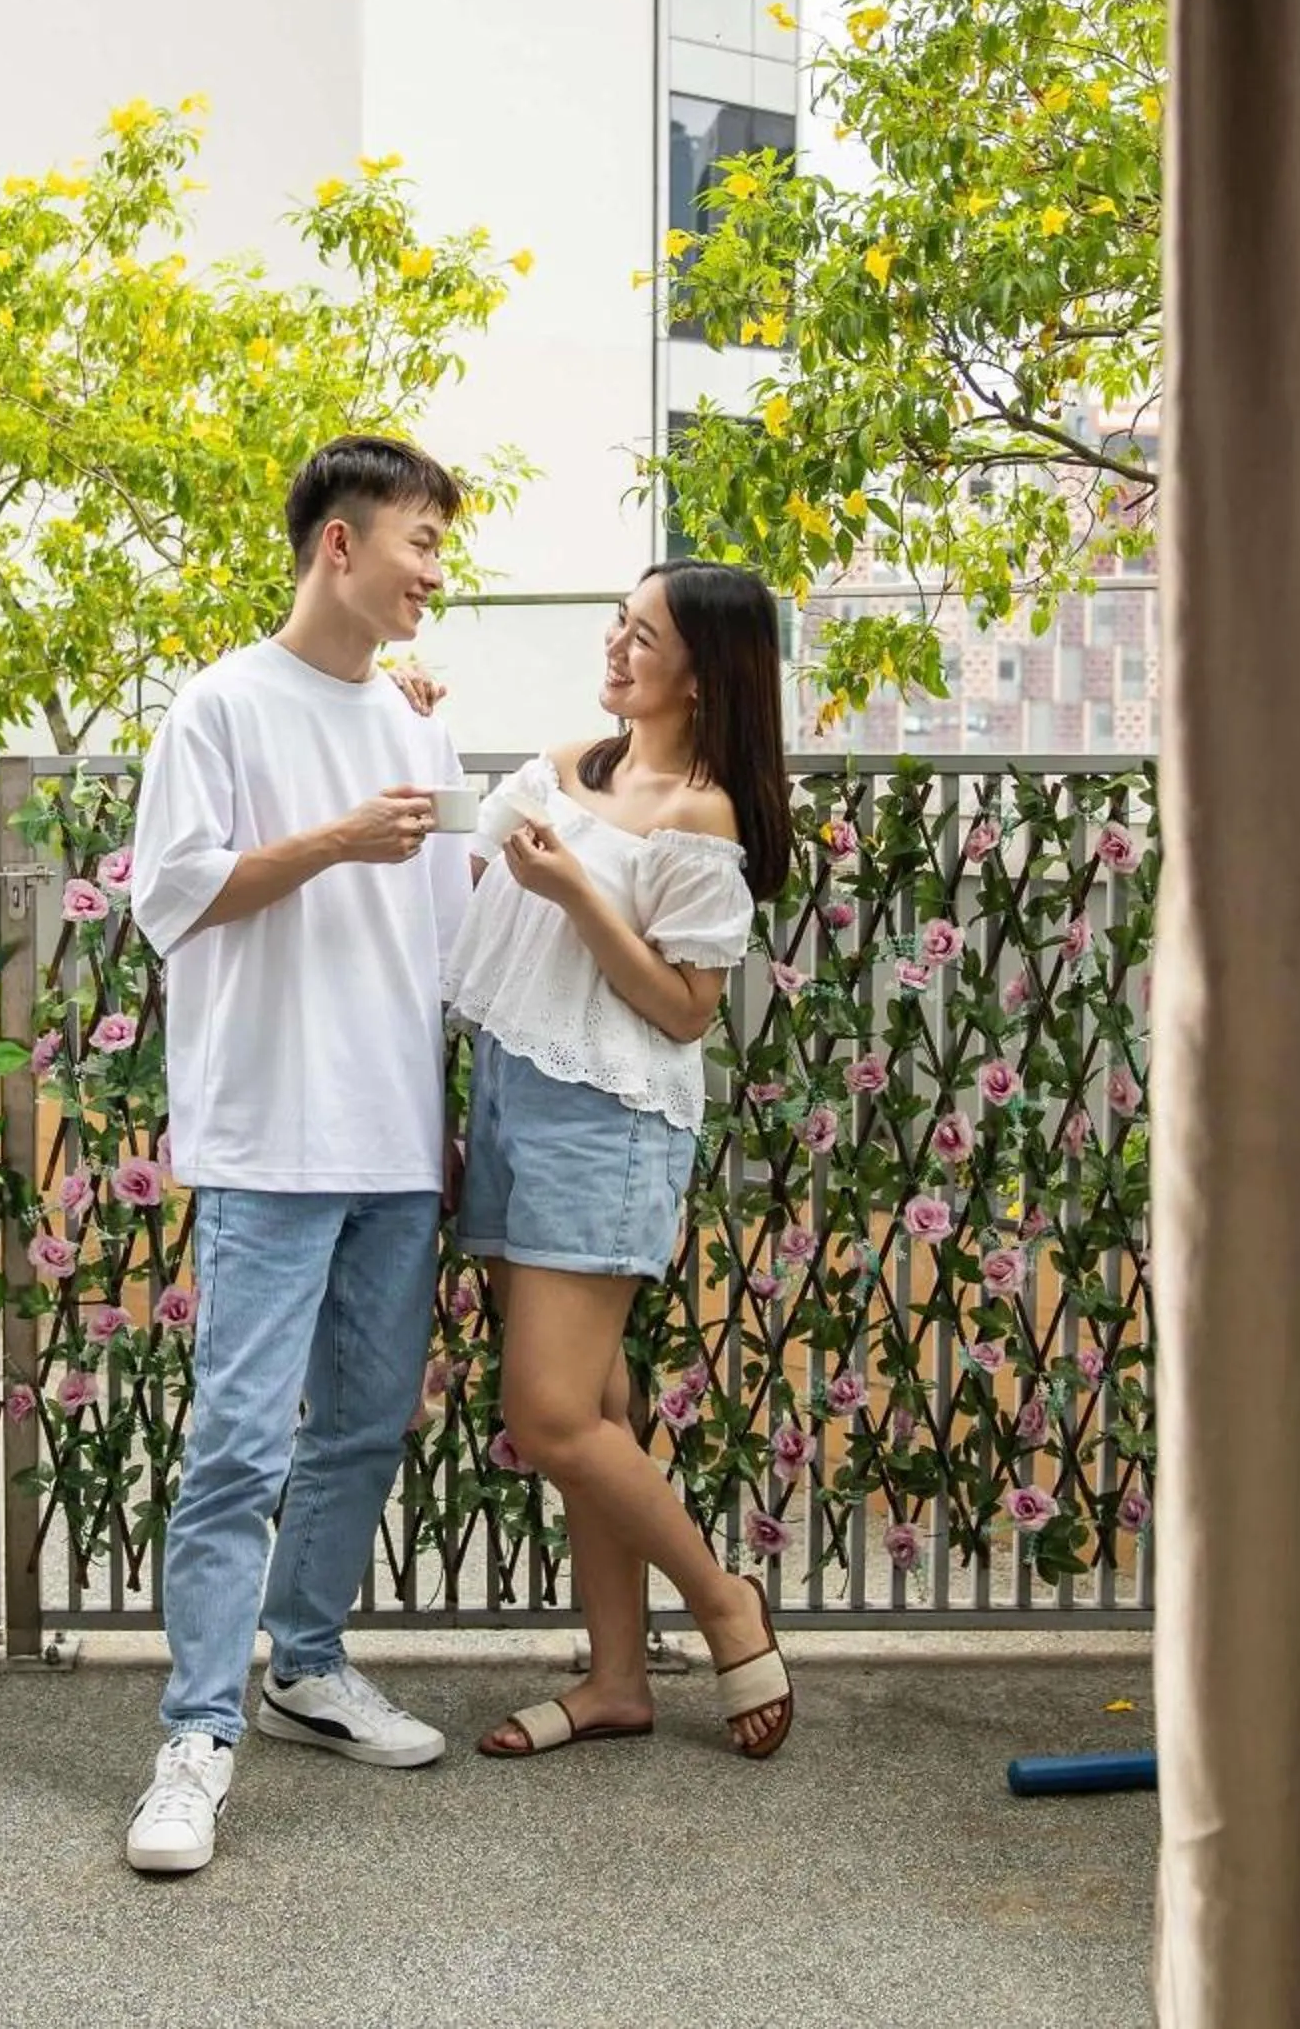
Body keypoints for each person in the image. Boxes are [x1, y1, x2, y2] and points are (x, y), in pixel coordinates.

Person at [119, 434, 473, 1875]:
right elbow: (171, 897)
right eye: (421, 542)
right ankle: (196, 1736)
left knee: (364, 1424)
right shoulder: (219, 706)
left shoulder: (415, 724)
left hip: (394, 1137)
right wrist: (332, 841)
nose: (435, 572)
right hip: (270, 1135)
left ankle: (306, 1667)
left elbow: (448, 939)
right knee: (238, 1443)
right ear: (340, 542)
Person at [441, 559, 799, 1760]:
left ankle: (723, 1603)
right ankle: (616, 1681)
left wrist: (577, 894)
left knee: (546, 1415)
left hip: (609, 1118)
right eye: (618, 623)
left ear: (703, 675)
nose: (615, 645)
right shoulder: (563, 769)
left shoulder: (701, 815)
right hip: (513, 1094)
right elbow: (454, 884)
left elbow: (687, 1010)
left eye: (643, 636)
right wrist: (411, 727)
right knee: (595, 1405)